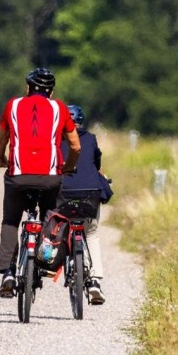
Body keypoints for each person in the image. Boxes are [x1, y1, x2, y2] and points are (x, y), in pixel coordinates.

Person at [0, 68, 80, 297]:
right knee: (49, 217)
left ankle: (8, 272)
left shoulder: (12, 105)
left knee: (11, 221)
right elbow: (75, 145)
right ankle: (44, 259)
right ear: (51, 91)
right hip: (51, 177)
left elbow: (2, 138)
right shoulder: (59, 108)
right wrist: (68, 166)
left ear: (28, 88)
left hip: (18, 176)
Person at [59, 104, 111, 305]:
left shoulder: (56, 140)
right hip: (90, 194)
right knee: (91, 233)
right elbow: (96, 164)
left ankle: (69, 262)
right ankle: (95, 282)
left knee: (63, 227)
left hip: (63, 194)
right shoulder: (91, 139)